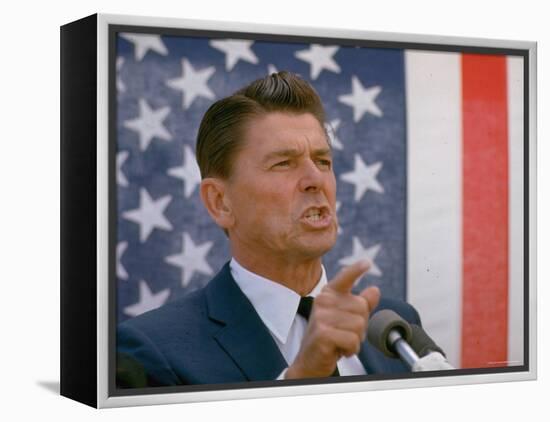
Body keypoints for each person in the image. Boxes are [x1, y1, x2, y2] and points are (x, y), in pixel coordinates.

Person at [116, 71, 421, 387]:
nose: (315, 180)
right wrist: (303, 377)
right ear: (220, 202)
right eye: (283, 163)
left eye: (323, 161)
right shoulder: (150, 352)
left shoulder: (394, 327)